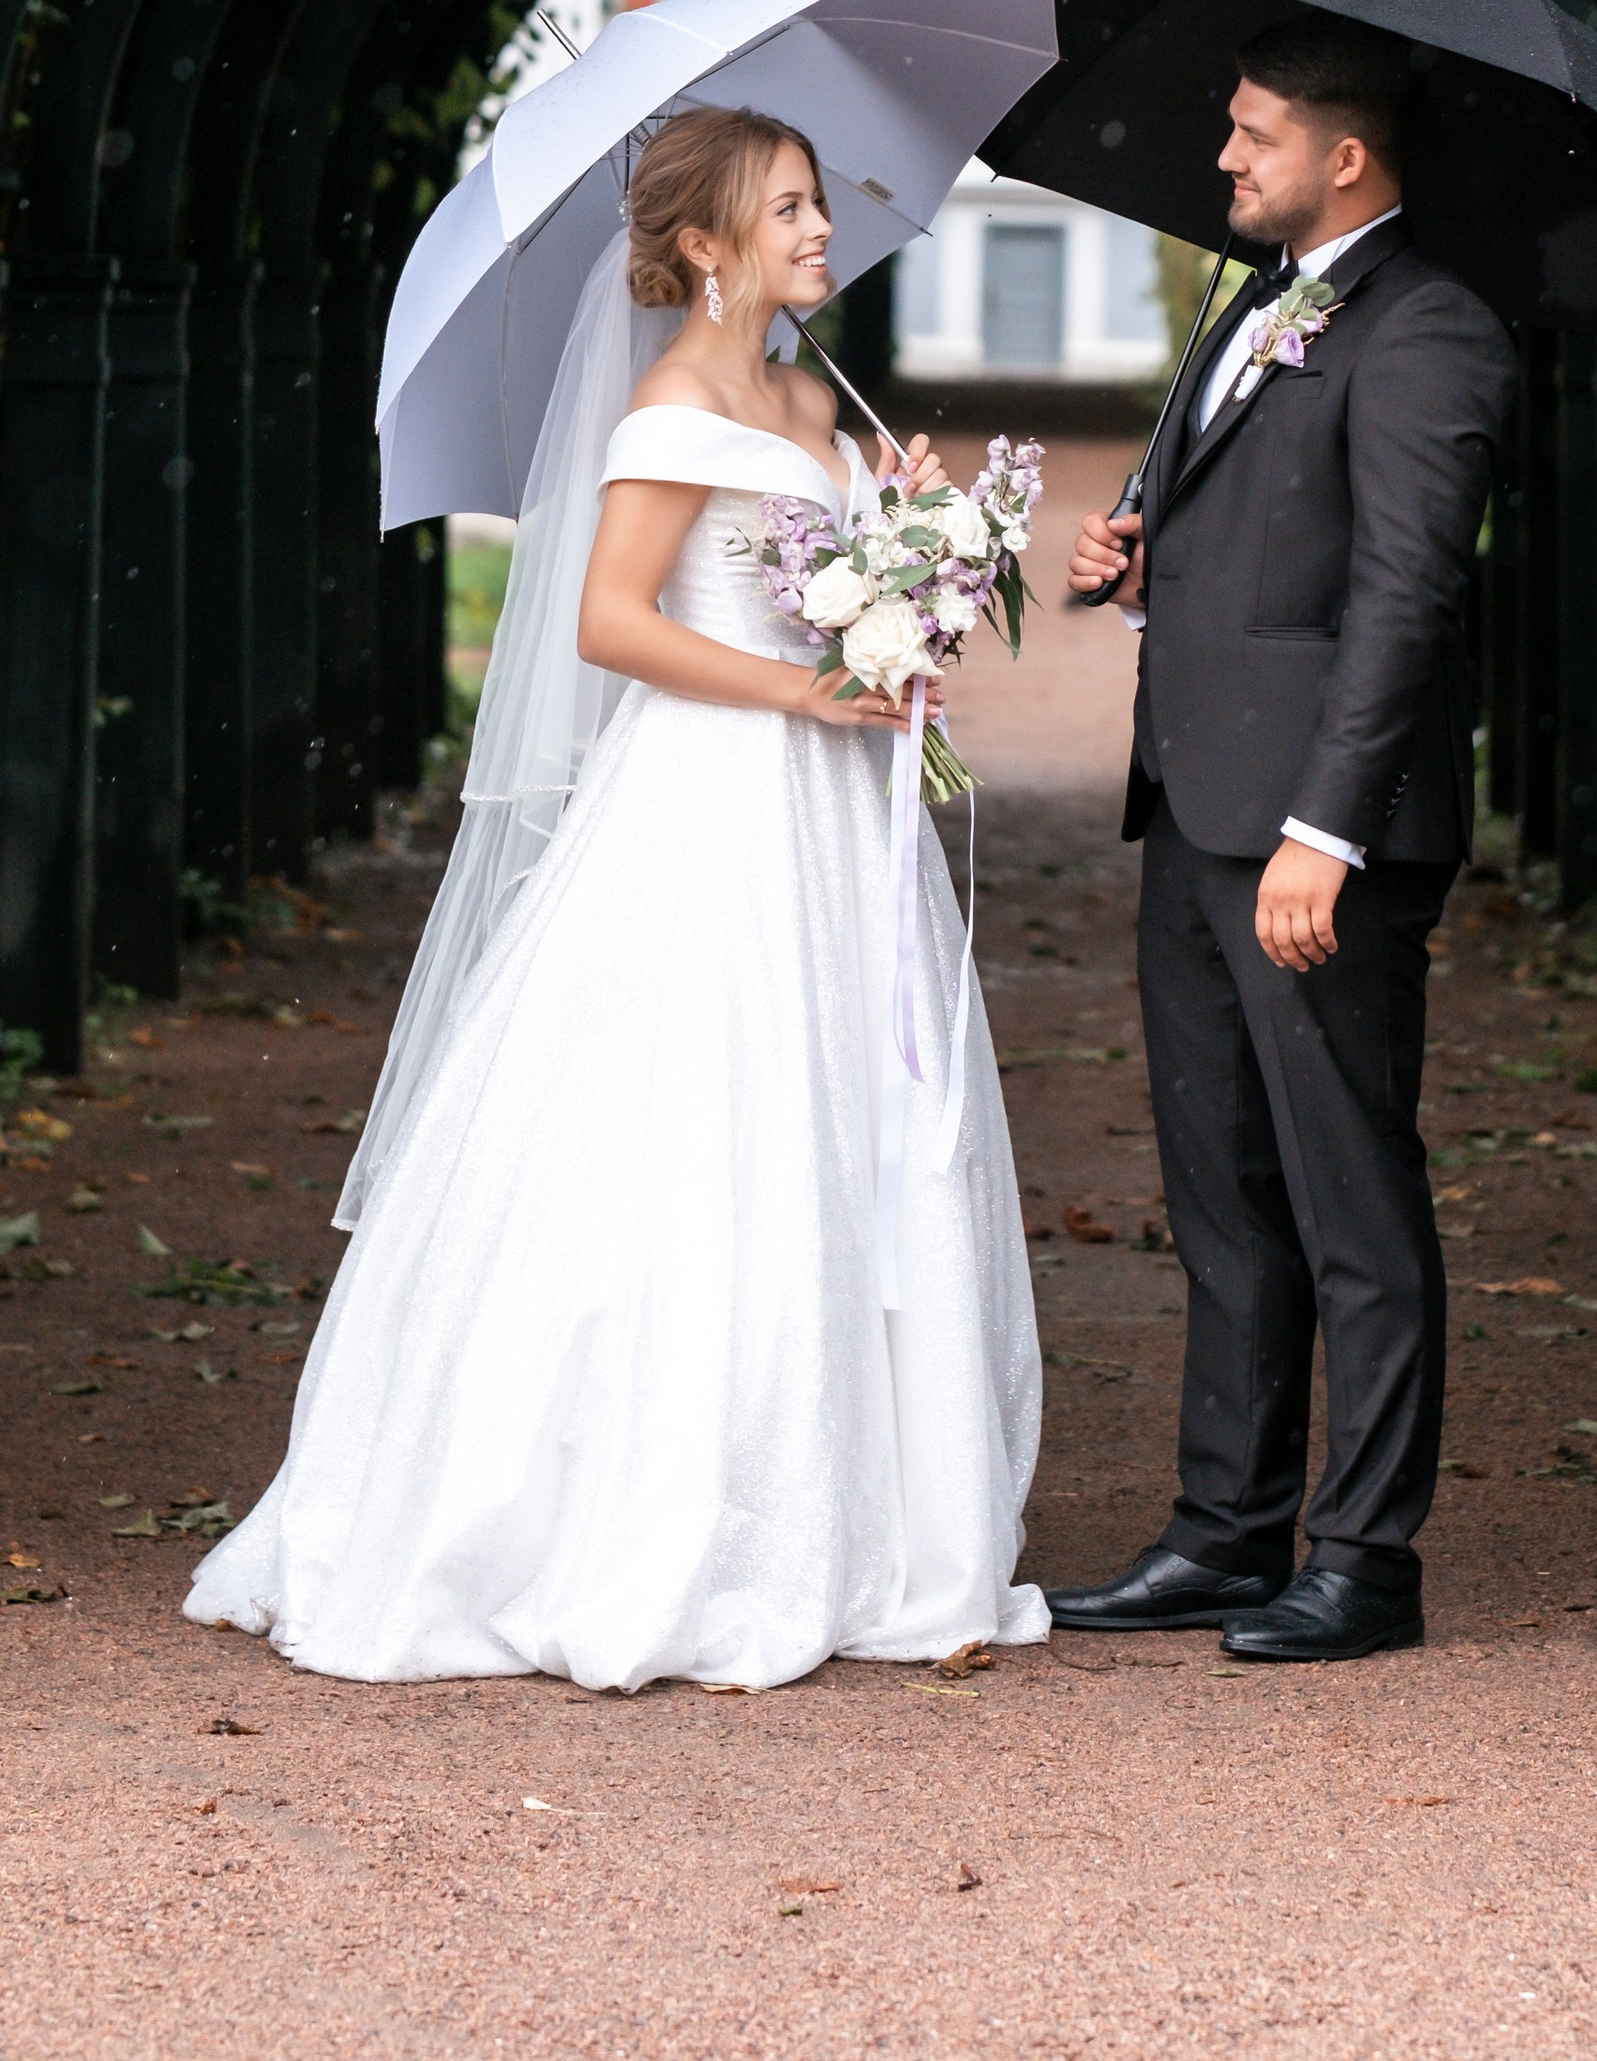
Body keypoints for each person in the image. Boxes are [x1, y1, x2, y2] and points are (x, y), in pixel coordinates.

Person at [186, 107, 1046, 1692]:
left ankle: (863, 1511)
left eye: (817, 204)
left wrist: (922, 537)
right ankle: (652, 1513)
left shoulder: (811, 393)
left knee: (845, 1118)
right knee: (701, 1127)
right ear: (704, 243)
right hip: (712, 804)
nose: (815, 229)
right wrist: (802, 694)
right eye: (783, 209)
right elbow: (607, 621)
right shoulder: (666, 411)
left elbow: (864, 599)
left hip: (845, 823)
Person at [1050, 19, 1515, 1663]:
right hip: (1192, 809)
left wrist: (1330, 828)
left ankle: (1365, 1557)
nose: (1226, 157)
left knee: (1350, 1196)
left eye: (1253, 134)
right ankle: (1226, 1532)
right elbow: (1278, 561)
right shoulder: (1248, 304)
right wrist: (1148, 559)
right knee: (1225, 1194)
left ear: (1345, 156)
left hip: (1318, 837)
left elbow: (1404, 596)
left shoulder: (1432, 328)